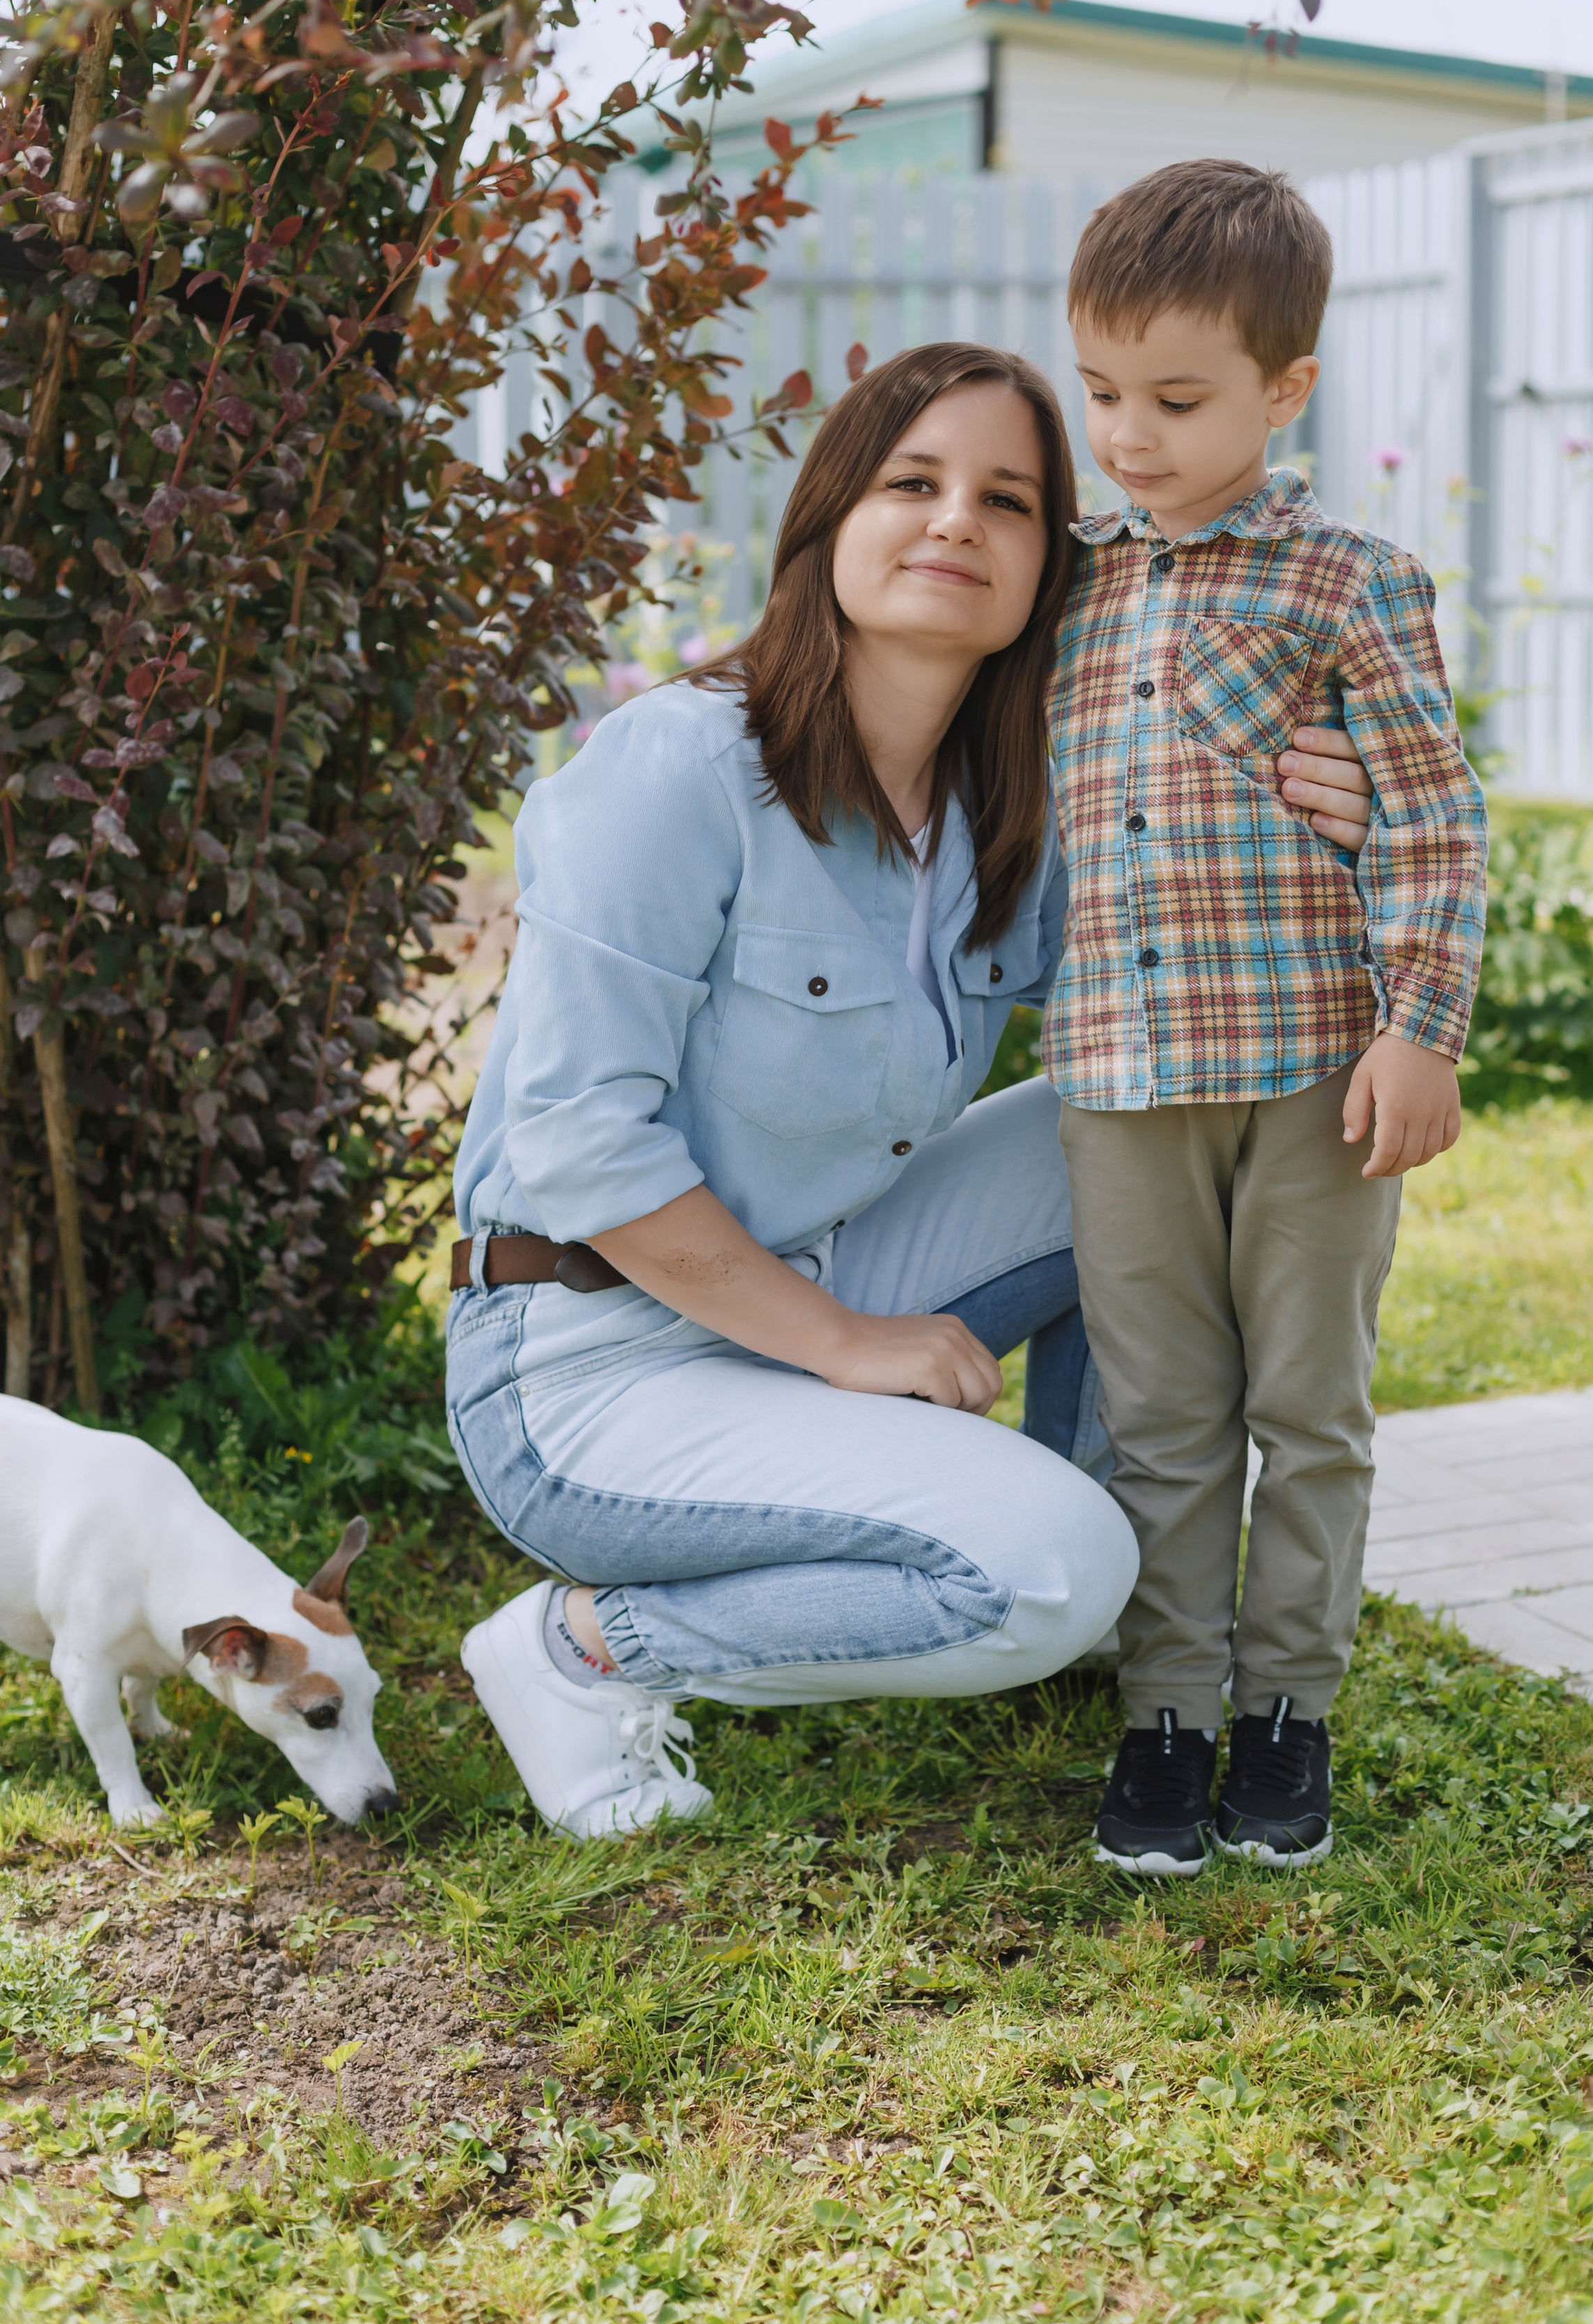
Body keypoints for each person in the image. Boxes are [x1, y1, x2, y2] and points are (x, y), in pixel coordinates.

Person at [445, 339, 1381, 1841]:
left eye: (1007, 501)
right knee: (1047, 1567)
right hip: (584, 1360)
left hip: (814, 1269)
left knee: (1137, 1131)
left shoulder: (1004, 813)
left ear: (1040, 571)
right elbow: (573, 1139)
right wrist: (841, 1343)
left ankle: (1119, 1611)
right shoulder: (679, 769)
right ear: (825, 523)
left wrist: (1338, 808)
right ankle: (578, 1649)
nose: (956, 520)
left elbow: (1198, 975)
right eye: (912, 481)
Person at [1051, 160, 1491, 1878]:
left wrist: (1419, 1025)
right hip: (1113, 1076)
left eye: (1174, 399)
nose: (1129, 435)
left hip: (1312, 1072)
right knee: (1157, 1417)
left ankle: (1283, 1713)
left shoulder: (1350, 581)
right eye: (1099, 395)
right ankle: (1164, 1714)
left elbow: (1433, 818)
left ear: (1282, 390)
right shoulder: (1064, 590)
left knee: (1307, 1409)